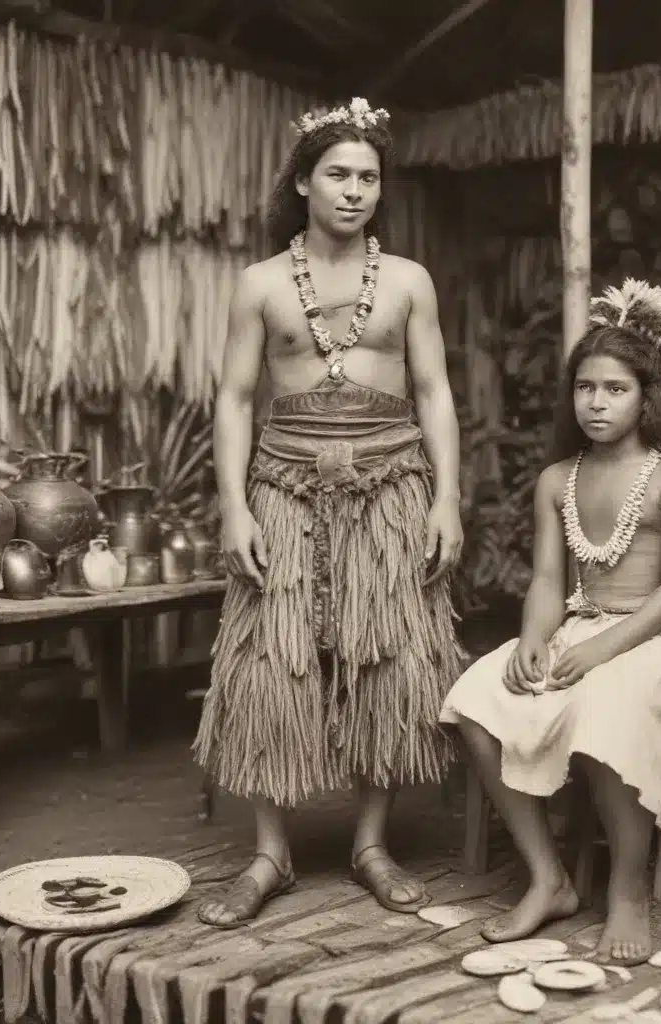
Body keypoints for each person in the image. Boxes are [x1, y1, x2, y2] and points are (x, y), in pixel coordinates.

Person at [193, 98, 464, 928]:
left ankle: (370, 844)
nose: (354, 191)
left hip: (390, 489)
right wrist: (234, 506)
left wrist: (448, 499)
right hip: (281, 491)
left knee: (389, 665)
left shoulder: (410, 281)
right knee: (268, 667)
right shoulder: (262, 285)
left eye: (369, 178)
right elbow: (237, 399)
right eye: (338, 175)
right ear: (304, 181)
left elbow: (434, 393)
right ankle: (270, 855)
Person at [440, 281, 661, 964]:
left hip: (658, 638)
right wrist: (535, 639)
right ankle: (549, 878)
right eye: (586, 388)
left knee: (606, 704)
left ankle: (626, 891)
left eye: (616, 389)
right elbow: (548, 580)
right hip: (578, 629)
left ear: (646, 397)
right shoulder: (556, 479)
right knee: (476, 699)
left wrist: (601, 649)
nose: (597, 402)